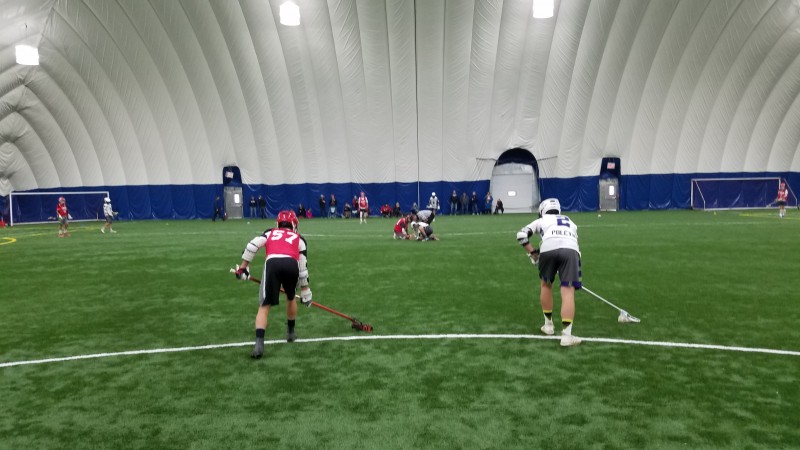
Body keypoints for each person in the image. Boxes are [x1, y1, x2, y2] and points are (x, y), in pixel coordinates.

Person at [234, 210, 312, 358]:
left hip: (272, 264)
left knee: (264, 306)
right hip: (291, 264)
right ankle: (290, 333)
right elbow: (302, 267)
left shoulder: (270, 233)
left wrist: (243, 268)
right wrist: (305, 290)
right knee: (290, 298)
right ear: (294, 225)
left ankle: (259, 345)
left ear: (278, 223)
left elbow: (252, 246)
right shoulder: (300, 239)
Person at [516, 198, 582, 347]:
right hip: (571, 250)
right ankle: (566, 336)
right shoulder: (570, 221)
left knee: (546, 285)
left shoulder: (541, 220)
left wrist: (533, 253)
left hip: (547, 248)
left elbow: (521, 235)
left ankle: (548, 326)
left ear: (542, 210)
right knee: (568, 291)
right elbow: (574, 244)